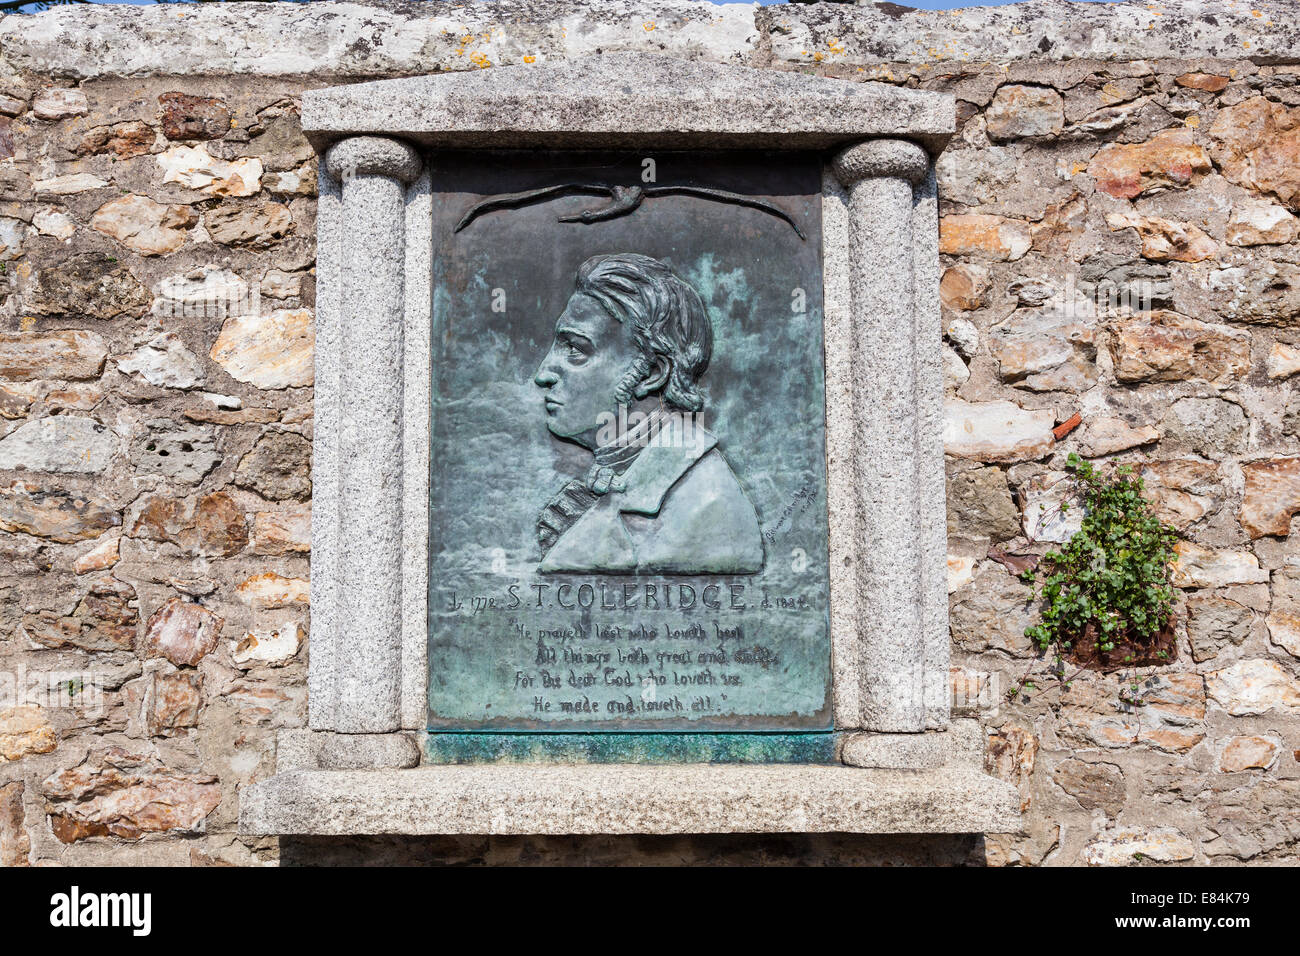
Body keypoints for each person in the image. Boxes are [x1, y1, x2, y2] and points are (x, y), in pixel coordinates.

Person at [533, 253, 762, 574]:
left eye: (575, 349)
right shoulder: (615, 478)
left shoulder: (708, 506)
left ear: (651, 373)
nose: (543, 374)